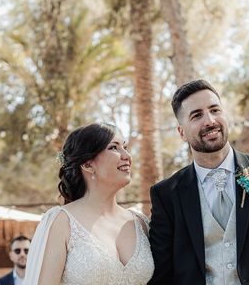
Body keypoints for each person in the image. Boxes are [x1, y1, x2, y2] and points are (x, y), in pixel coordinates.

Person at [148, 79, 249, 284]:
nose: (210, 120)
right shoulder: (166, 195)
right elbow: (162, 277)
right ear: (181, 132)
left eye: (215, 110)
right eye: (197, 115)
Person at [23, 122, 154, 285]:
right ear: (87, 164)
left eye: (124, 147)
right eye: (114, 148)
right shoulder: (61, 221)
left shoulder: (141, 223)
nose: (126, 155)